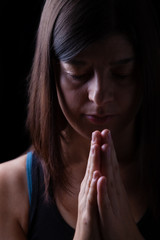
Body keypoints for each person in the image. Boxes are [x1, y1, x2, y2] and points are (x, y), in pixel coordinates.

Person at [0, 0, 160, 239]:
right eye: (79, 74)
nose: (99, 96)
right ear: (52, 72)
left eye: (121, 73)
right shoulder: (9, 190)